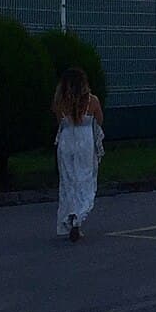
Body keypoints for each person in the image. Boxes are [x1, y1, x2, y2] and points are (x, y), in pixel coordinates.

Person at [52, 67, 105, 242]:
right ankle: (78, 216)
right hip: (85, 141)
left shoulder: (60, 101)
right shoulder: (92, 101)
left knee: (69, 181)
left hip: (67, 140)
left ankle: (70, 214)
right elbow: (99, 119)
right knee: (85, 179)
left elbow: (59, 120)